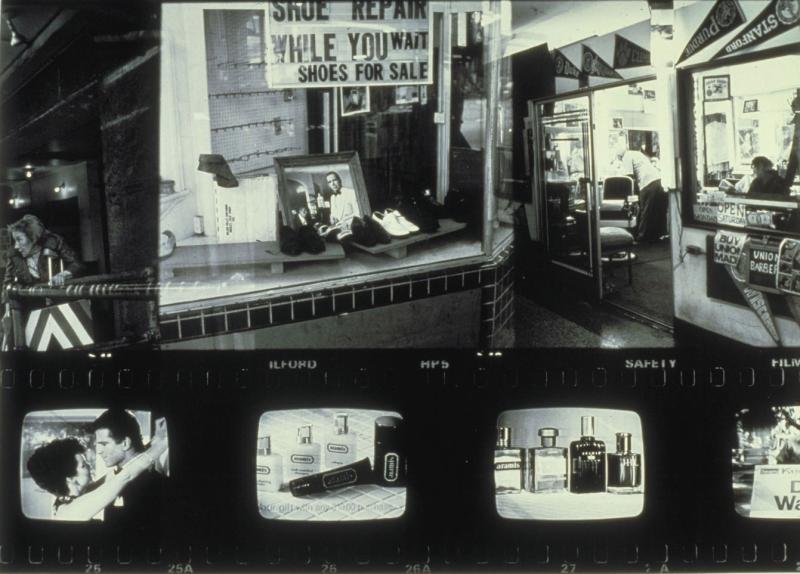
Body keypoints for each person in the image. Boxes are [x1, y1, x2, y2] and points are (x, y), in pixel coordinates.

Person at [26, 418, 168, 522]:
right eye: (84, 465)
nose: (89, 466)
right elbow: (125, 475)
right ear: (71, 479)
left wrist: (155, 440)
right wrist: (164, 443)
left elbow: (119, 471)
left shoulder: (73, 497)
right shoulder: (70, 511)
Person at [2, 214, 84, 349]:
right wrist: (6, 312)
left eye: (19, 239)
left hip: (62, 308)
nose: (16, 246)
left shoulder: (55, 242)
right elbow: (7, 283)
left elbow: (77, 264)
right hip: (33, 311)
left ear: (33, 238)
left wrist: (64, 274)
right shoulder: (14, 255)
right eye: (14, 240)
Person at [86, 409, 167, 528]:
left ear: (125, 443)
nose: (99, 451)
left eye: (104, 444)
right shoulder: (114, 478)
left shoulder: (153, 485)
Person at [612, 134, 667, 242]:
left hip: (647, 183)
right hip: (658, 180)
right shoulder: (636, 153)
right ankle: (658, 235)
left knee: (645, 211)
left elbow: (629, 177)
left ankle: (641, 237)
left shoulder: (627, 156)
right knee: (657, 210)